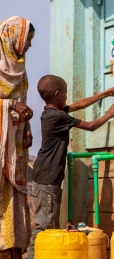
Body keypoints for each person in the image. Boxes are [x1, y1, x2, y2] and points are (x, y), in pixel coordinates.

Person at [26, 75, 114, 258]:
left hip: (46, 179)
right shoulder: (57, 117)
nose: (67, 98)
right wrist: (110, 113)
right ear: (57, 94)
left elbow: (79, 105)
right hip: (47, 181)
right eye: (65, 94)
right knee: (43, 229)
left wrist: (104, 94)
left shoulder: (52, 113)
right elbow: (91, 126)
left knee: (48, 227)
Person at [0, 16, 35, 259]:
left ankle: (12, 249)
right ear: (14, 38)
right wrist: (10, 103)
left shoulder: (20, 69)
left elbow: (22, 101)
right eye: (28, 40)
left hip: (16, 146)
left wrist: (28, 125)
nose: (30, 46)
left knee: (14, 197)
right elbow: (14, 103)